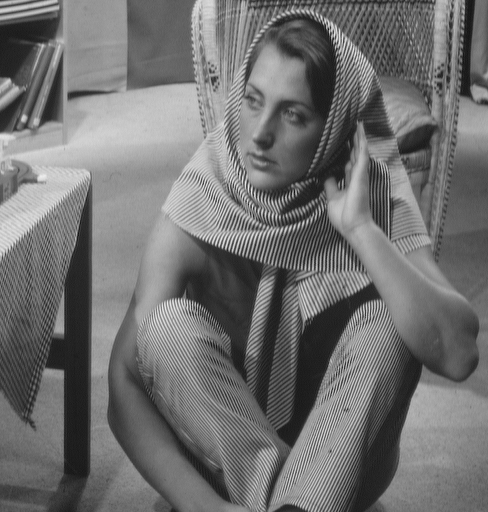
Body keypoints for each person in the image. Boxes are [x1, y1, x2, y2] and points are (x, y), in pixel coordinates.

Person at [108, 9, 479, 512]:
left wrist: (361, 231)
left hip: (341, 469)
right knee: (165, 328)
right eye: (253, 101)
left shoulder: (371, 191)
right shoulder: (207, 190)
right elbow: (125, 381)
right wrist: (202, 506)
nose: (259, 134)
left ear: (334, 129)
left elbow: (458, 352)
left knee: (390, 327)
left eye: (293, 115)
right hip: (222, 461)